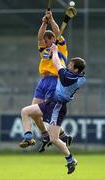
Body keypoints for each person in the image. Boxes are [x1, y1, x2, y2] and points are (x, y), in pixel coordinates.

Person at [19, 43, 86, 174]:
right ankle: (28, 137)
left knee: (54, 139)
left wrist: (55, 51)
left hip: (57, 107)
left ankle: (70, 159)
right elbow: (59, 65)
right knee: (25, 111)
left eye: (71, 66)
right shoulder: (78, 75)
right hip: (50, 103)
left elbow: (57, 64)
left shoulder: (68, 78)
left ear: (76, 70)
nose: (68, 66)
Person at [20, 9, 73, 151]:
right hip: (42, 82)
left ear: (51, 38)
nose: (43, 41)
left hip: (54, 81)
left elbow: (57, 31)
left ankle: (59, 134)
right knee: (33, 113)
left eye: (46, 39)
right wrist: (44, 23)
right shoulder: (44, 50)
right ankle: (46, 135)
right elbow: (38, 38)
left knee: (44, 113)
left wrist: (52, 19)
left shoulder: (60, 48)